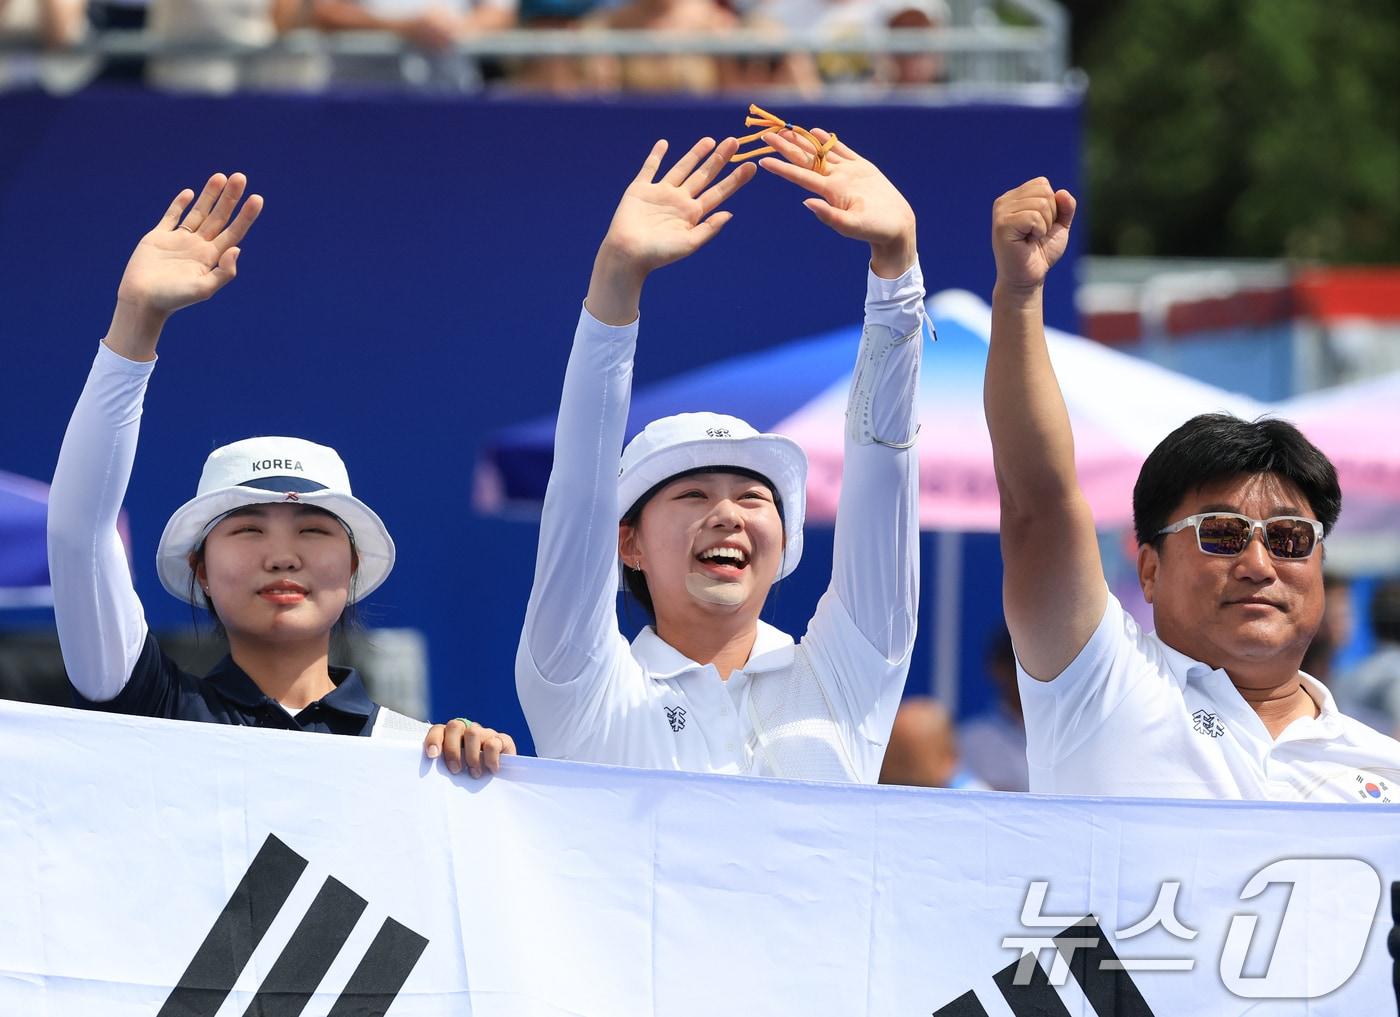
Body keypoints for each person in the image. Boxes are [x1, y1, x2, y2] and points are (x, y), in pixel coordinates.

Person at [431, 130, 924, 780]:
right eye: (692, 494)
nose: (727, 513)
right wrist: (615, 282)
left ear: (783, 537)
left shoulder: (851, 670)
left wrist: (897, 271)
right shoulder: (581, 683)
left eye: (752, 496)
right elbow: (581, 487)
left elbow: (883, 460)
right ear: (627, 542)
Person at [48, 172, 514, 777]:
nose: (282, 556)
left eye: (313, 530)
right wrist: (135, 321)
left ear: (351, 565)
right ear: (201, 570)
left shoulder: (423, 759)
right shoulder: (152, 710)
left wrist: (484, 780)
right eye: (247, 530)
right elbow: (77, 536)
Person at [983, 177, 1400, 801]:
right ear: (1148, 569)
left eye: (1289, 539)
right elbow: (1038, 504)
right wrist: (1019, 295)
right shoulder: (1100, 687)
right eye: (1223, 535)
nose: (1259, 565)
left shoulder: (1384, 773)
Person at [879, 697, 987, 790]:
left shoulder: (978, 804)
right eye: (895, 755)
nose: (899, 769)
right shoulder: (869, 797)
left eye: (911, 757)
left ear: (949, 756)